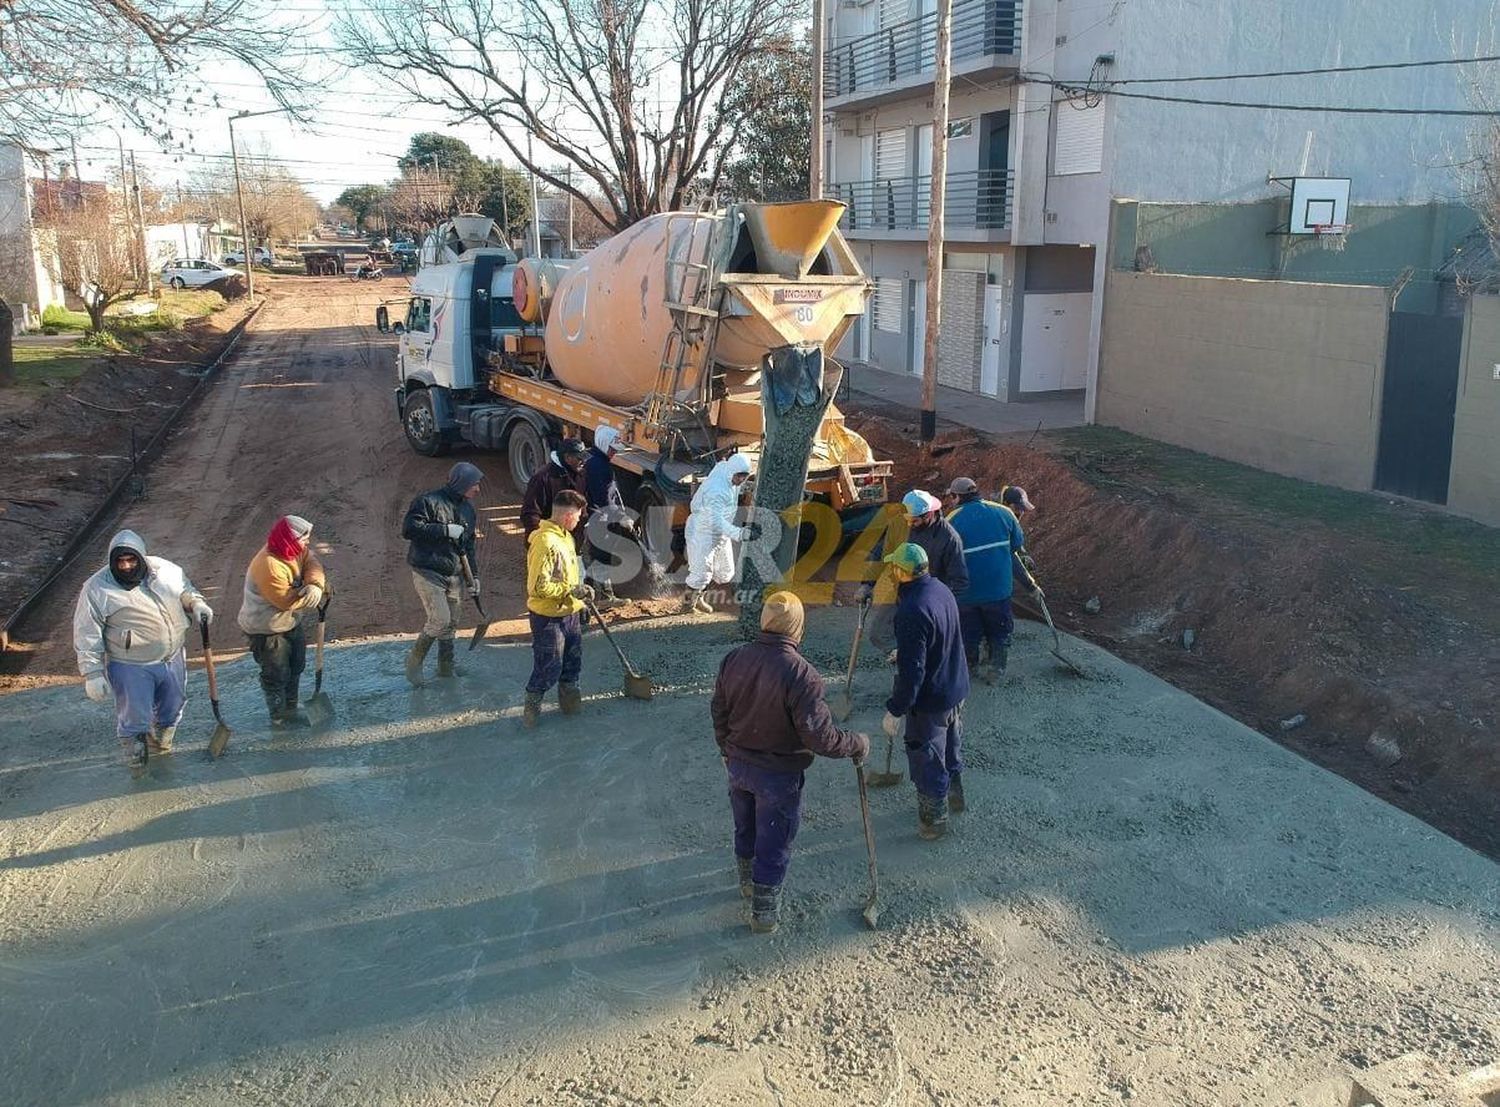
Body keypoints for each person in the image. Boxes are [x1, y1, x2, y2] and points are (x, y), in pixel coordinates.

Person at [711, 591, 870, 934]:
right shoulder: (802, 675)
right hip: (778, 775)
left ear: (765, 621)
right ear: (797, 626)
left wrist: (727, 750)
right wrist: (856, 743)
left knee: (745, 828)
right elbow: (819, 737)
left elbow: (719, 712)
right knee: (774, 840)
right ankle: (764, 913)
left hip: (738, 766)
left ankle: (747, 884)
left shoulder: (734, 659)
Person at [73, 530, 212, 765]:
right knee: (135, 717)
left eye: (131, 559)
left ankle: (162, 745)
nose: (126, 566)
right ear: (112, 561)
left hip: (172, 657)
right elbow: (87, 632)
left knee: (173, 707)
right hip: (131, 666)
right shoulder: (96, 588)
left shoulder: (165, 570)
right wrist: (93, 673)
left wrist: (195, 603)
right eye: (120, 561)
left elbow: (184, 590)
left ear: (141, 557)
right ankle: (137, 762)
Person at [880, 542, 970, 840]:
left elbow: (913, 673)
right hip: (955, 685)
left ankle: (934, 819)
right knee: (951, 747)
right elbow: (940, 635)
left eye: (893, 567)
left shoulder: (911, 609)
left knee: (927, 756)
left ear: (900, 572)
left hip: (931, 699)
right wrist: (904, 650)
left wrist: (896, 709)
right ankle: (955, 796)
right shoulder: (941, 590)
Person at [943, 476, 1040, 682]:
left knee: (969, 634)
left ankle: (969, 670)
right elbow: (1014, 551)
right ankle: (996, 670)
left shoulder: (950, 522)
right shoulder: (1004, 513)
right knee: (1000, 632)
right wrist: (1031, 586)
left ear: (956, 497)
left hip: (967, 595)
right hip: (999, 592)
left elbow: (944, 561)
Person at [237, 515, 328, 728]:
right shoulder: (268, 564)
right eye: (304, 538)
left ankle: (291, 708)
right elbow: (284, 600)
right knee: (276, 673)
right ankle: (278, 716)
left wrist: (315, 584)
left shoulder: (293, 549)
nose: (307, 542)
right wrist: (307, 595)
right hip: (266, 628)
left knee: (296, 664)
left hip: (288, 622)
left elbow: (311, 561)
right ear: (290, 538)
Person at [401, 461, 483, 685]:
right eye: (474, 484)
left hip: (454, 573)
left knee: (452, 622)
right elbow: (408, 529)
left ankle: (446, 667)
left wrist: (473, 577)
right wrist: (444, 530)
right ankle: (414, 664)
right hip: (428, 571)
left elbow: (469, 546)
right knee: (440, 619)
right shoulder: (427, 502)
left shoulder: (468, 509)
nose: (478, 489)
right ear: (462, 483)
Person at [859, 489, 968, 656]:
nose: (909, 524)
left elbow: (959, 581)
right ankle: (905, 655)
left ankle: (915, 663)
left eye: (914, 521)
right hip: (900, 590)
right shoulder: (900, 523)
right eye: (907, 520)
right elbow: (881, 553)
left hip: (928, 599)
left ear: (928, 515)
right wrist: (867, 584)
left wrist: (940, 608)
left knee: (924, 641)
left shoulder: (949, 538)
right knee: (879, 634)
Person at [524, 489, 592, 727]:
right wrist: (570, 591)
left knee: (572, 666)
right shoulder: (545, 542)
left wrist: (581, 598)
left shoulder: (566, 537)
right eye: (579, 515)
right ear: (567, 516)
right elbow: (538, 588)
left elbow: (572, 574)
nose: (580, 519)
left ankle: (573, 715)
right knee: (547, 668)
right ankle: (530, 716)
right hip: (548, 617)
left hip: (570, 613)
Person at [682, 453, 752, 615]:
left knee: (725, 572)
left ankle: (699, 596)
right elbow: (717, 522)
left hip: (720, 534)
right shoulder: (717, 491)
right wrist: (740, 534)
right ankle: (687, 606)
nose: (741, 480)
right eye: (738, 476)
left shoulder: (724, 469)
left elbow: (721, 464)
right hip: (703, 531)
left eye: (744, 476)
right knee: (701, 572)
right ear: (731, 473)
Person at [582, 424, 628, 609]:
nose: (613, 453)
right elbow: (603, 498)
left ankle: (602, 594)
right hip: (598, 518)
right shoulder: (598, 466)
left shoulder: (595, 460)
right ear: (603, 445)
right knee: (601, 554)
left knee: (600, 555)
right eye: (612, 449)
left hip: (599, 516)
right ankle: (598, 597)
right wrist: (620, 516)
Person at [520, 438, 589, 544]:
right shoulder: (542, 478)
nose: (584, 462)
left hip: (572, 540)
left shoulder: (581, 473)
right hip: (550, 542)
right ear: (567, 458)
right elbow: (530, 514)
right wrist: (542, 541)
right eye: (579, 458)